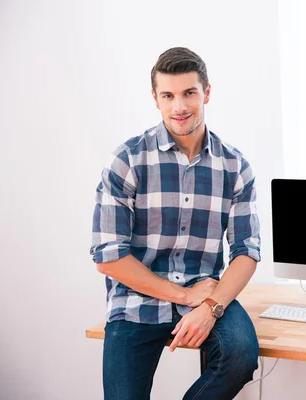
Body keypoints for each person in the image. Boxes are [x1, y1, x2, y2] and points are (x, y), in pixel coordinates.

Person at [90, 46, 261, 400]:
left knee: (241, 355)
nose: (179, 106)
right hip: (137, 300)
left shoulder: (235, 167)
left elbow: (247, 251)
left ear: (207, 93)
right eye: (168, 95)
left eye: (189, 93)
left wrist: (211, 308)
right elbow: (108, 257)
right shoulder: (128, 161)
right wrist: (184, 296)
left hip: (205, 293)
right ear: (155, 99)